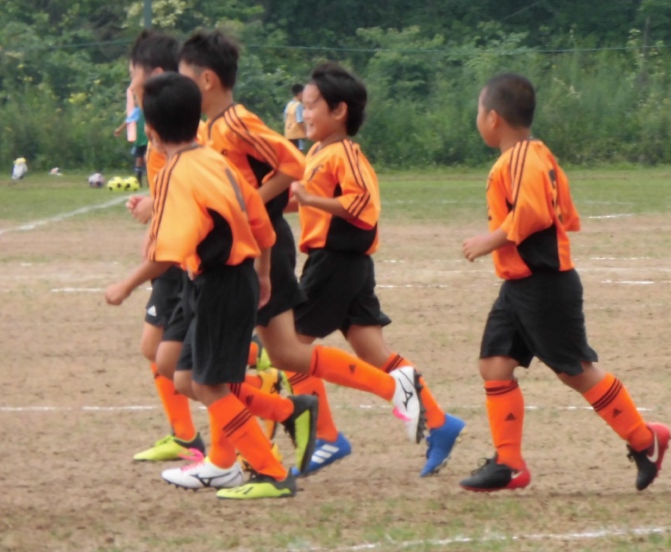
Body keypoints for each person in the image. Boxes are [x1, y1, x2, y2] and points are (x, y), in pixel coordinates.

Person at [176, 31, 426, 450]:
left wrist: (248, 206)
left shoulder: (236, 122)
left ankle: (241, 454)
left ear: (206, 80)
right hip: (251, 247)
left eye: (184, 78)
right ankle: (371, 393)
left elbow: (290, 163)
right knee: (285, 354)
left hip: (263, 248)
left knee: (237, 360)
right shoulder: (211, 128)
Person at [104, 72, 316, 500]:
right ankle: (286, 411)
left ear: (152, 130)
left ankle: (272, 473)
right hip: (225, 280)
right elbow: (259, 217)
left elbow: (167, 254)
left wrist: (125, 285)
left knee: (207, 385)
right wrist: (262, 271)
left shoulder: (175, 174)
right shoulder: (214, 160)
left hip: (220, 283)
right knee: (186, 378)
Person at [459, 73, 670, 492]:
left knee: (577, 372)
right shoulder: (538, 154)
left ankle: (645, 440)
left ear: (493, 118)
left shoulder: (519, 159)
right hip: (520, 284)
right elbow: (564, 214)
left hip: (545, 285)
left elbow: (534, 214)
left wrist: (490, 240)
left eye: (479, 112)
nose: (478, 119)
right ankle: (509, 464)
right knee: (495, 364)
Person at [289, 62, 465, 477]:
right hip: (344, 265)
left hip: (335, 262)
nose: (303, 114)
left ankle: (326, 437)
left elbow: (362, 206)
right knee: (373, 353)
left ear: (339, 111)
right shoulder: (317, 152)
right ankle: (441, 423)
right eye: (302, 106)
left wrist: (311, 201)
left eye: (311, 106)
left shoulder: (346, 154)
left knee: (290, 348)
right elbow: (304, 198)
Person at [120, 30, 206, 464]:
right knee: (155, 349)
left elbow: (194, 179)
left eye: (132, 73)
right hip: (171, 247)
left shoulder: (182, 127)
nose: (130, 82)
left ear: (153, 74)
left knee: (170, 354)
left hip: (182, 254)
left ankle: (256, 363)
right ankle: (185, 436)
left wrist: (156, 208)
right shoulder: (161, 126)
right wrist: (152, 212)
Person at [283, 83, 306, 152]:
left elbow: (285, 118)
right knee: (299, 154)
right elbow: (300, 121)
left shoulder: (289, 104)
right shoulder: (299, 105)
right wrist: (306, 132)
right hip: (297, 135)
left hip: (288, 134)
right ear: (300, 93)